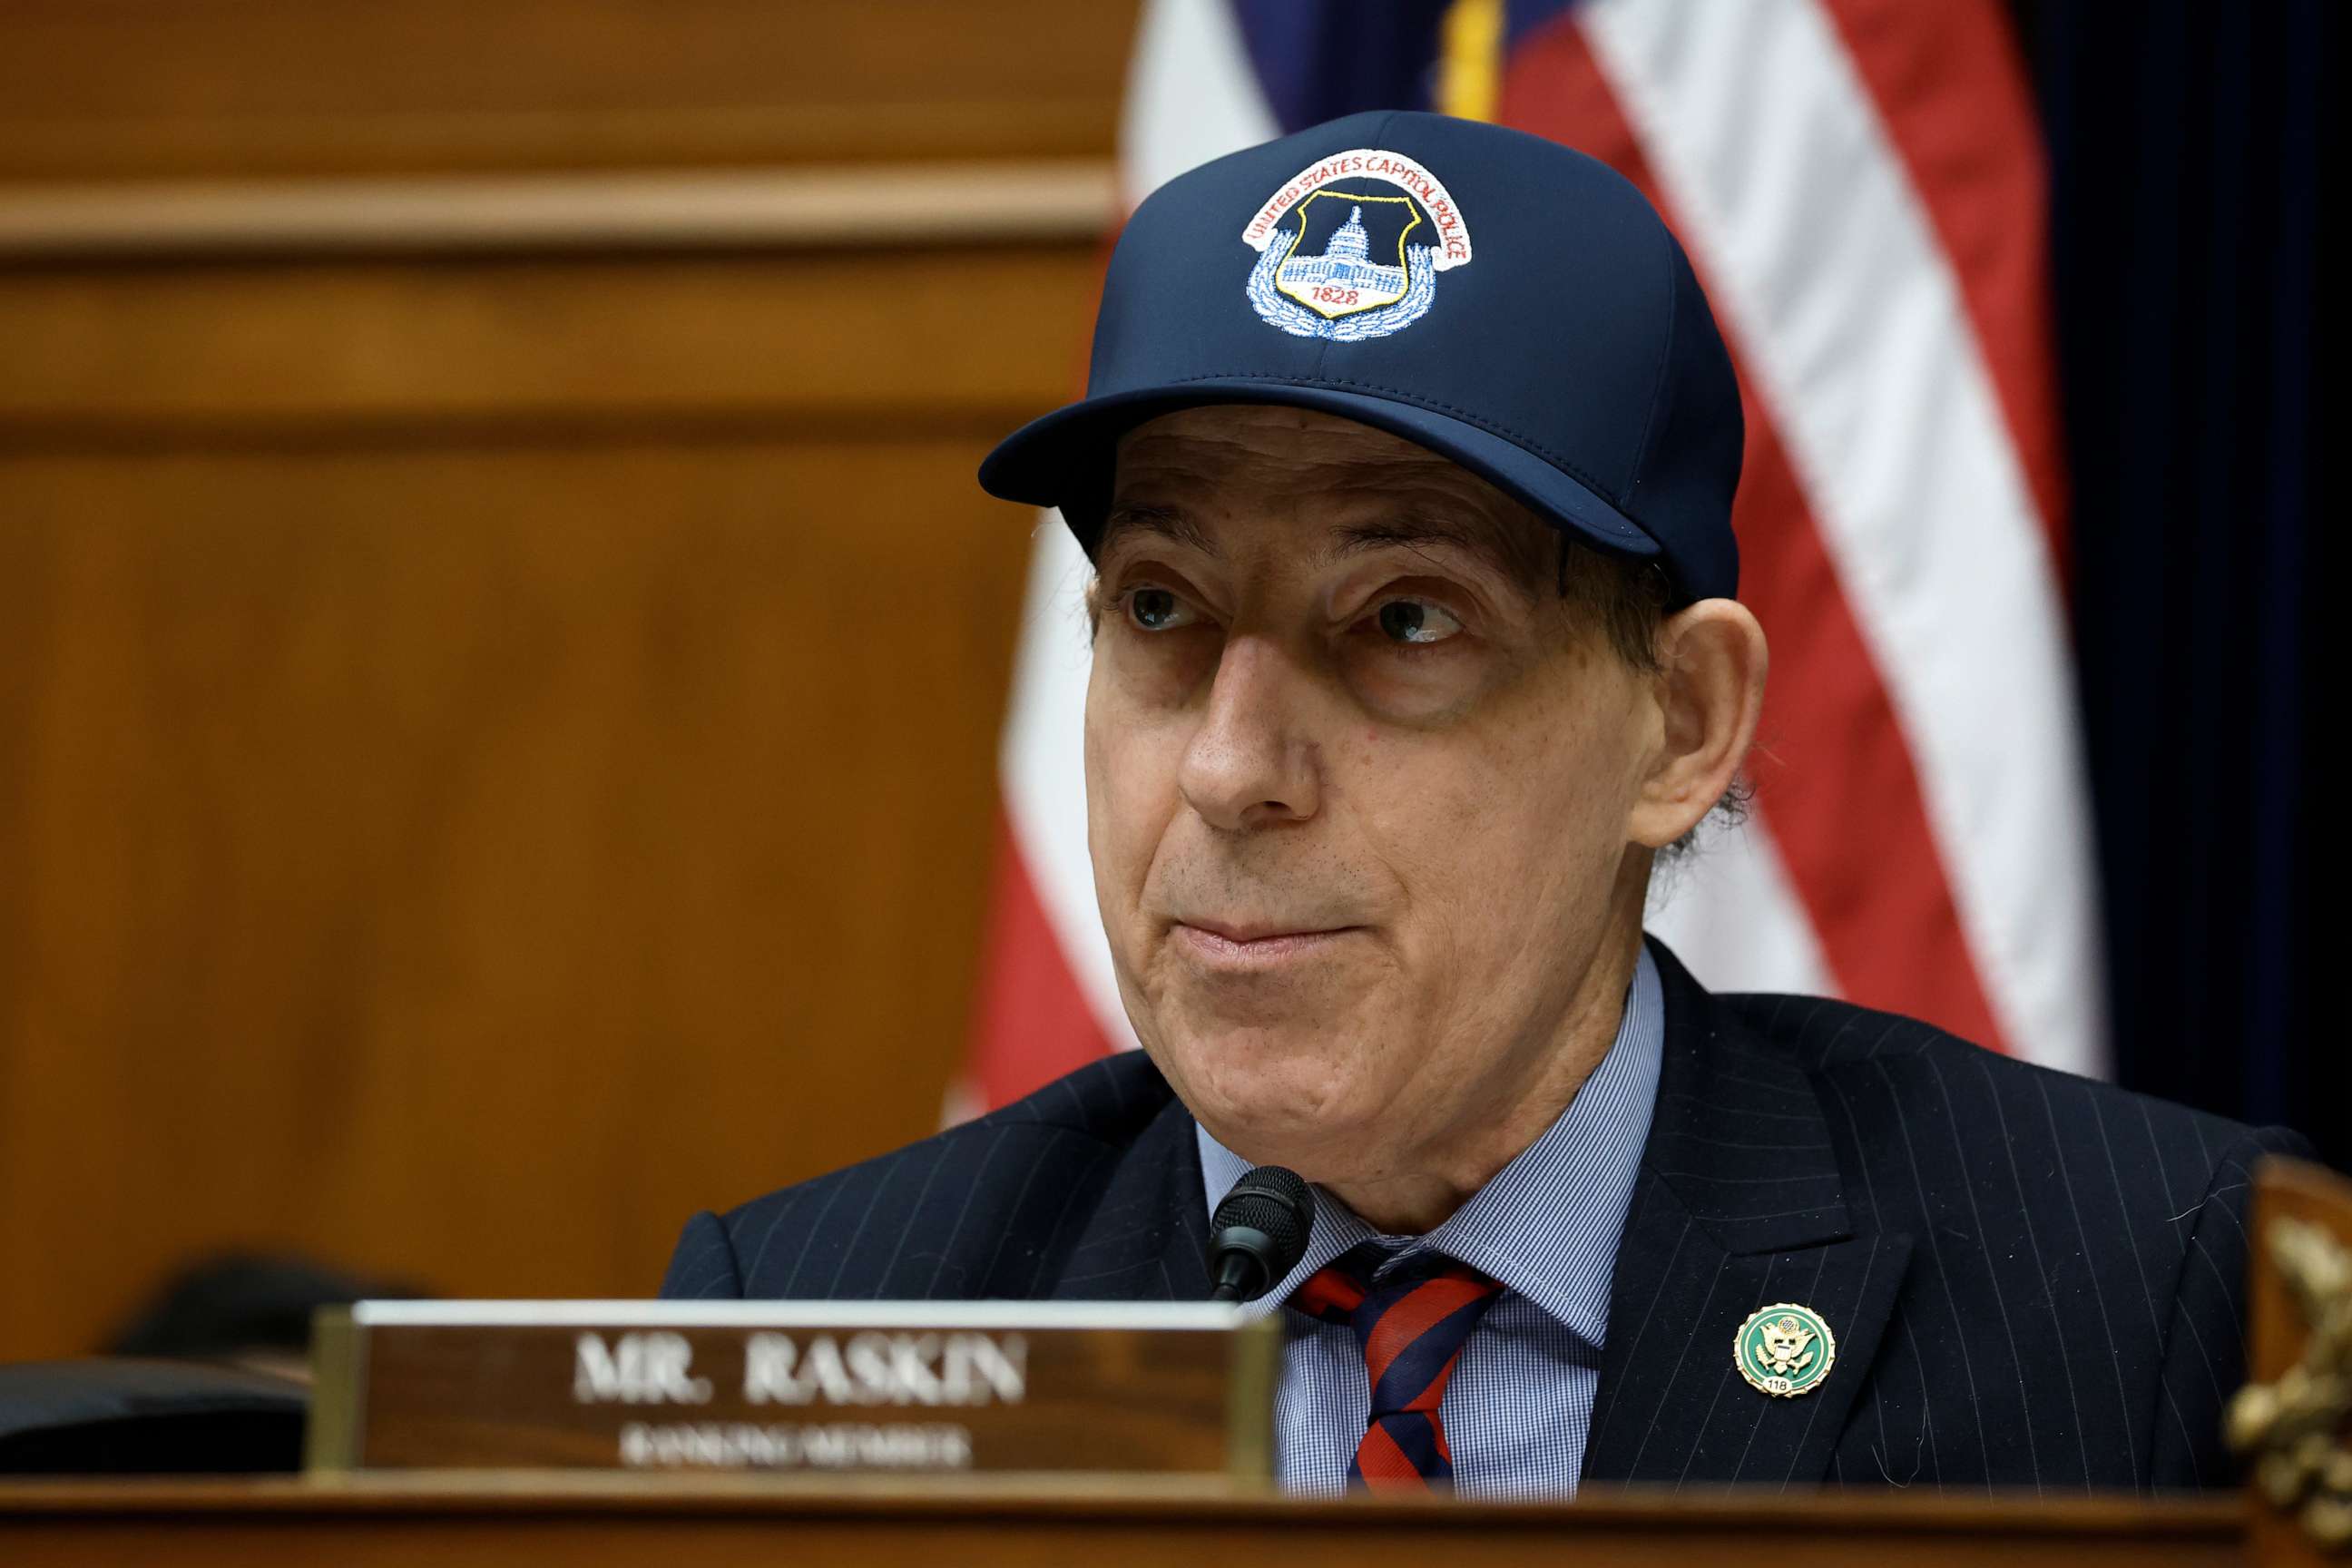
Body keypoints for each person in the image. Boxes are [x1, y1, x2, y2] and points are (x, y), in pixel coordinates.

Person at [662, 112, 2307, 1494]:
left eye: (1403, 623)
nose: (1232, 771)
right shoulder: (813, 1322)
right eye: (1161, 609)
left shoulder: (2146, 1298)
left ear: (1681, 725)